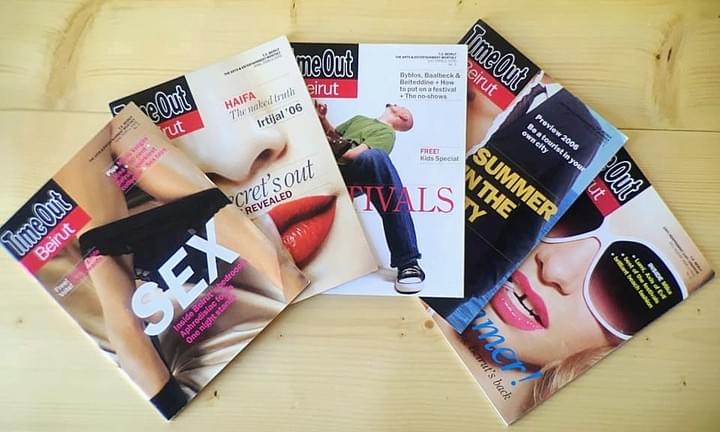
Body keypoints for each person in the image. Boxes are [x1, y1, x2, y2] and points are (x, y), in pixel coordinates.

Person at [49, 105, 306, 418]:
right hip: (186, 215)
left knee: (125, 321)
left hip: (131, 235)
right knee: (117, 128)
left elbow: (127, 332)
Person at [315, 102, 425, 294]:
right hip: (321, 170)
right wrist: (323, 119)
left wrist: (331, 143)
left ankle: (408, 261)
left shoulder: (386, 133)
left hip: (350, 176)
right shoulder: (359, 119)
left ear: (403, 117)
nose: (395, 104)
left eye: (401, 106)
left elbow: (352, 155)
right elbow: (335, 135)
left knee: (375, 157)